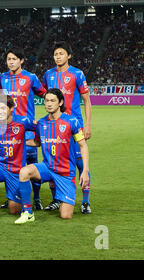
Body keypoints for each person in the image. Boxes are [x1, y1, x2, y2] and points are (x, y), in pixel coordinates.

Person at [14, 89, 90, 223]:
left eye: (53, 101)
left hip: (65, 172)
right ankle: (28, 212)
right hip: (47, 167)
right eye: (47, 100)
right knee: (24, 172)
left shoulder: (71, 121)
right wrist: (19, 141)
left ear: (60, 102)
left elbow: (83, 145)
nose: (49, 104)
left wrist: (84, 171)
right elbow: (37, 142)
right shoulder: (41, 123)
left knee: (66, 215)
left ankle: (62, 197)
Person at [41, 41, 93, 214]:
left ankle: (85, 201)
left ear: (68, 56)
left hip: (73, 125)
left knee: (79, 162)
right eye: (56, 54)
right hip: (55, 126)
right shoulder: (48, 74)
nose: (58, 57)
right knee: (53, 160)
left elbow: (86, 100)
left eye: (61, 53)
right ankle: (57, 198)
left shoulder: (77, 74)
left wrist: (88, 124)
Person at [0, 47, 46, 210]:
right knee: (10, 165)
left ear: (21, 61)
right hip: (8, 130)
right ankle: (12, 196)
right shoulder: (2, 78)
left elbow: (44, 94)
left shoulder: (30, 77)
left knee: (32, 164)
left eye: (14, 59)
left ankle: (37, 198)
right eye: (8, 59)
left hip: (27, 128)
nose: (11, 62)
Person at [0, 94, 36, 221]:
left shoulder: (22, 122)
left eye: (3, 108)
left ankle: (20, 199)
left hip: (16, 171)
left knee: (14, 210)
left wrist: (35, 142)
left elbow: (42, 128)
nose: (0, 112)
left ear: (11, 108)